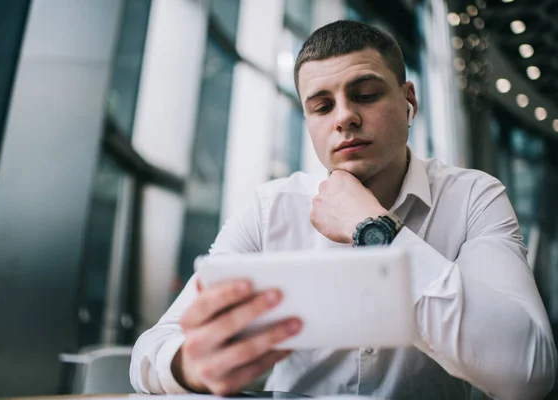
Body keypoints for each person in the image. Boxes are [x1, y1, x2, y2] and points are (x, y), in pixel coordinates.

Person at [129, 20, 557, 399]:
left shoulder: (472, 198)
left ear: (409, 100)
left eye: (366, 94)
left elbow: (528, 373)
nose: (345, 117)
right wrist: (189, 364)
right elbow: (152, 349)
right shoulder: (269, 210)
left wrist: (373, 229)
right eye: (321, 106)